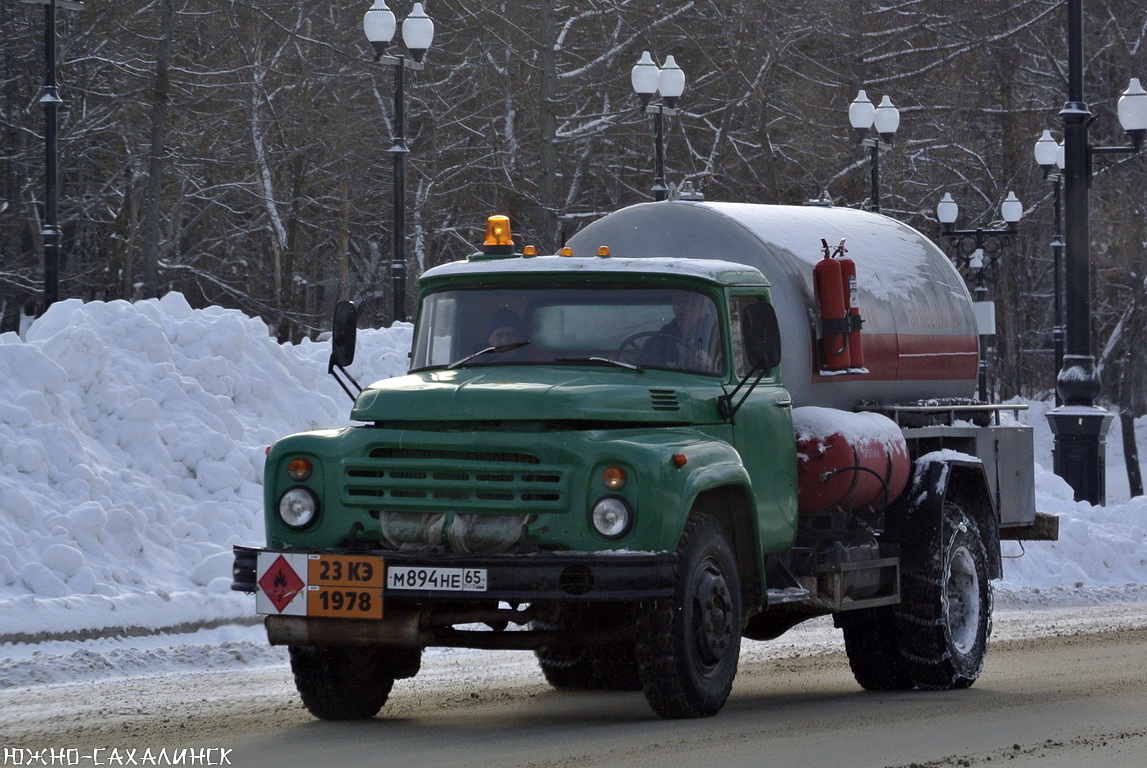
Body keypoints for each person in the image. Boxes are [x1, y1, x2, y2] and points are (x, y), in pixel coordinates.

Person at [643, 291, 720, 372]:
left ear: (703, 307)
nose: (680, 308)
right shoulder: (661, 337)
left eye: (688, 303)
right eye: (677, 302)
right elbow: (643, 366)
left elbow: (726, 368)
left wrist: (709, 365)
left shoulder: (718, 335)